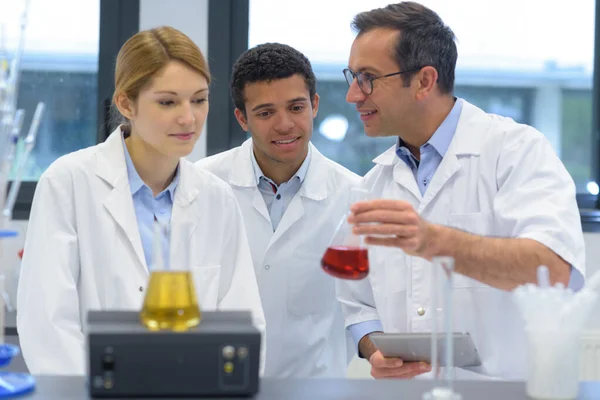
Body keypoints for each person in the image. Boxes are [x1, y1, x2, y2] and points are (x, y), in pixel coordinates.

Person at [336, 2, 585, 380]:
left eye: (368, 78)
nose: (354, 94)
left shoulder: (515, 151)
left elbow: (554, 270)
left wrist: (437, 241)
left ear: (423, 81)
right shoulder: (373, 184)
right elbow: (356, 301)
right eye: (352, 77)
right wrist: (373, 347)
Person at [16, 26, 265, 375]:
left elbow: (243, 319)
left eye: (199, 99)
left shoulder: (215, 198)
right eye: (167, 102)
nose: (188, 117)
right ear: (125, 102)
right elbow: (48, 323)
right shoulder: (68, 183)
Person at [197, 43, 360, 378]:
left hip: (316, 387)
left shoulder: (355, 197)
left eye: (296, 107)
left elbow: (366, 306)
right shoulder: (201, 187)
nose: (285, 125)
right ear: (242, 118)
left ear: (314, 105)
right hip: (217, 383)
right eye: (266, 113)